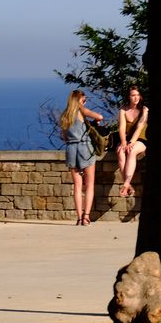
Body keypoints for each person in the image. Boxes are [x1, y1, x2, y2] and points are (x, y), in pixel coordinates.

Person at [60, 89, 103, 225]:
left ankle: (79, 218)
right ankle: (86, 216)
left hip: (71, 149)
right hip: (85, 148)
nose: (85, 101)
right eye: (84, 99)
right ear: (80, 99)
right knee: (89, 185)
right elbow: (99, 116)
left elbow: (65, 137)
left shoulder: (65, 115)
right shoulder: (81, 110)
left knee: (77, 186)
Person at [116, 85, 148, 197]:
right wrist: (124, 142)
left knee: (132, 151)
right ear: (129, 97)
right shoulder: (123, 110)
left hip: (141, 139)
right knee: (120, 151)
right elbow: (122, 128)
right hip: (128, 138)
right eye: (133, 95)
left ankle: (125, 184)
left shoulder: (144, 110)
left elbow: (140, 127)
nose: (136, 98)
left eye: (138, 95)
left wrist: (131, 143)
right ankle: (128, 186)